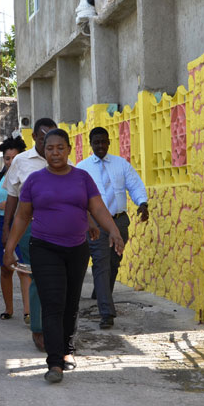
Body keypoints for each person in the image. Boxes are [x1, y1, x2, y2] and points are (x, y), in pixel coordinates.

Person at [4, 128, 124, 383]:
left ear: (69, 150)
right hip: (44, 247)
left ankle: (67, 350)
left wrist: (113, 231)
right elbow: (23, 216)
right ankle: (54, 362)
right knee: (52, 302)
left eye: (60, 148)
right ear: (43, 151)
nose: (55, 152)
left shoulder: (82, 178)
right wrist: (9, 247)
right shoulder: (35, 181)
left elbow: (98, 207)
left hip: (76, 249)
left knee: (71, 302)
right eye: (50, 148)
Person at [77, 126, 148, 329]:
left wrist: (142, 203)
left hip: (118, 221)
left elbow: (134, 184)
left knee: (114, 261)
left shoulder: (120, 164)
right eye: (96, 142)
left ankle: (100, 292)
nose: (100, 145)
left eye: (103, 141)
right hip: (96, 223)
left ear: (109, 142)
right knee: (101, 263)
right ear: (91, 144)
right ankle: (106, 312)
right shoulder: (83, 168)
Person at [1, 118, 57, 352]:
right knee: (36, 275)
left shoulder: (62, 159)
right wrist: (7, 231)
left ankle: (56, 327)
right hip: (30, 226)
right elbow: (12, 196)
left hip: (58, 226)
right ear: (34, 137)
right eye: (45, 139)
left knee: (57, 279)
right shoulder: (21, 162)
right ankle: (38, 329)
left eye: (53, 139)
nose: (50, 145)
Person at [0, 136, 31, 322]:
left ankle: (28, 312)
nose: (10, 162)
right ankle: (9, 309)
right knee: (6, 268)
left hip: (24, 226)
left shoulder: (28, 176)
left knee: (24, 269)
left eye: (14, 157)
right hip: (1, 225)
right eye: (7, 158)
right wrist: (0, 205)